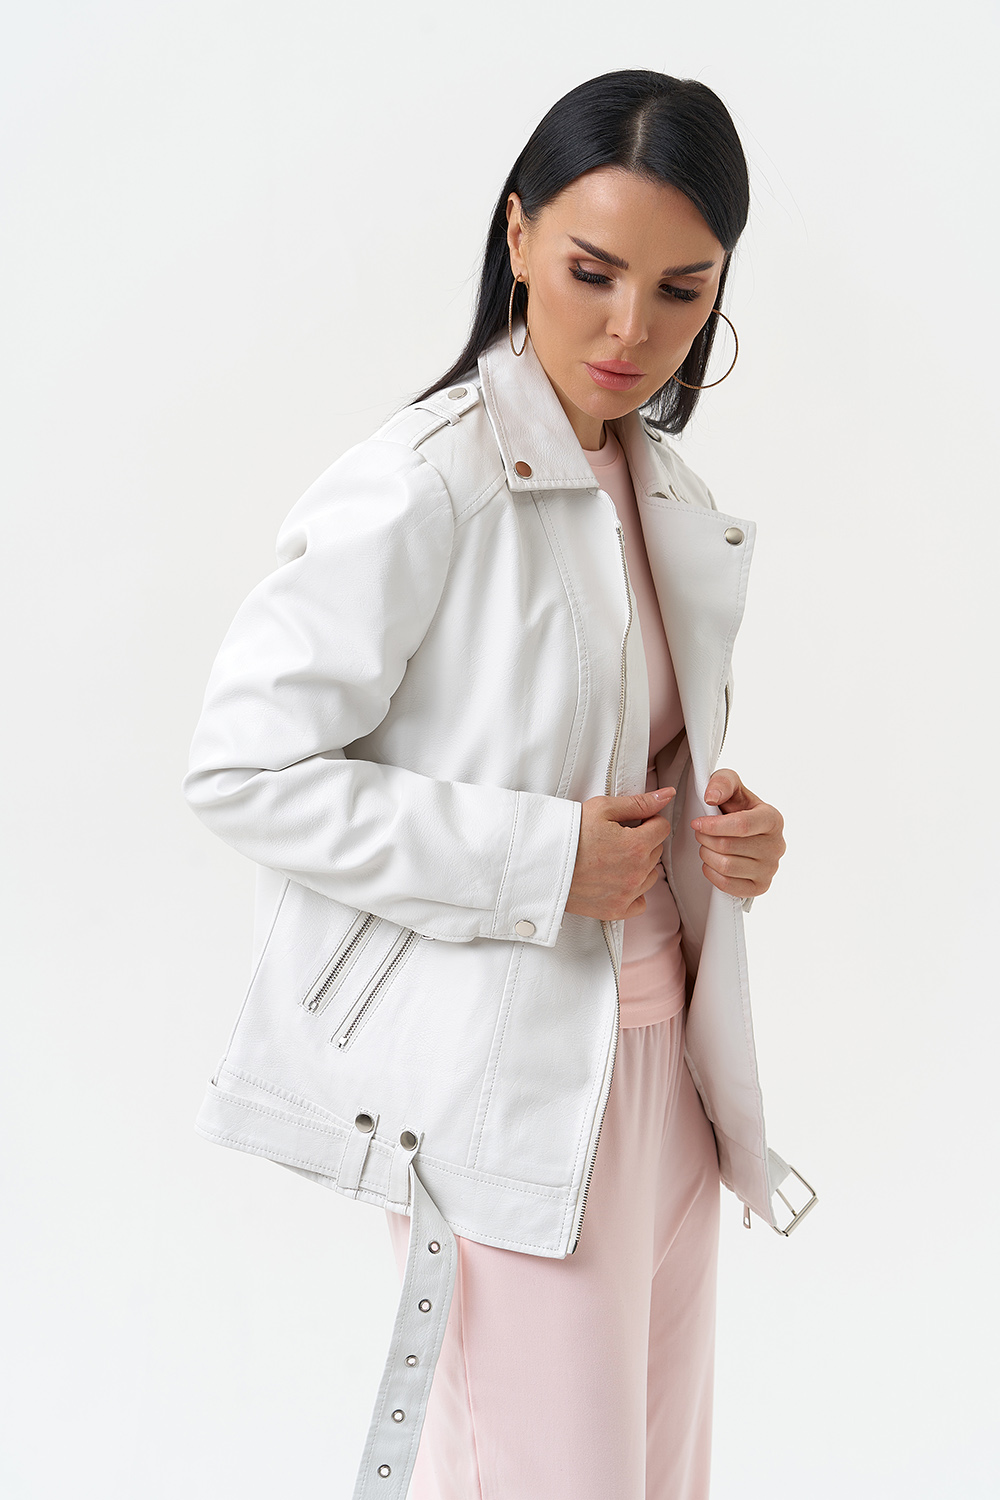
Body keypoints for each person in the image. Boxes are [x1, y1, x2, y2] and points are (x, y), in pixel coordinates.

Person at [182, 68, 815, 1500]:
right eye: (594, 272)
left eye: (681, 290)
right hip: (507, 1096)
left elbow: (621, 761)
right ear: (518, 236)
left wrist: (724, 837)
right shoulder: (427, 480)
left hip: (668, 1076)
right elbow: (241, 765)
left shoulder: (666, 493)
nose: (631, 328)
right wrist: (538, 859)